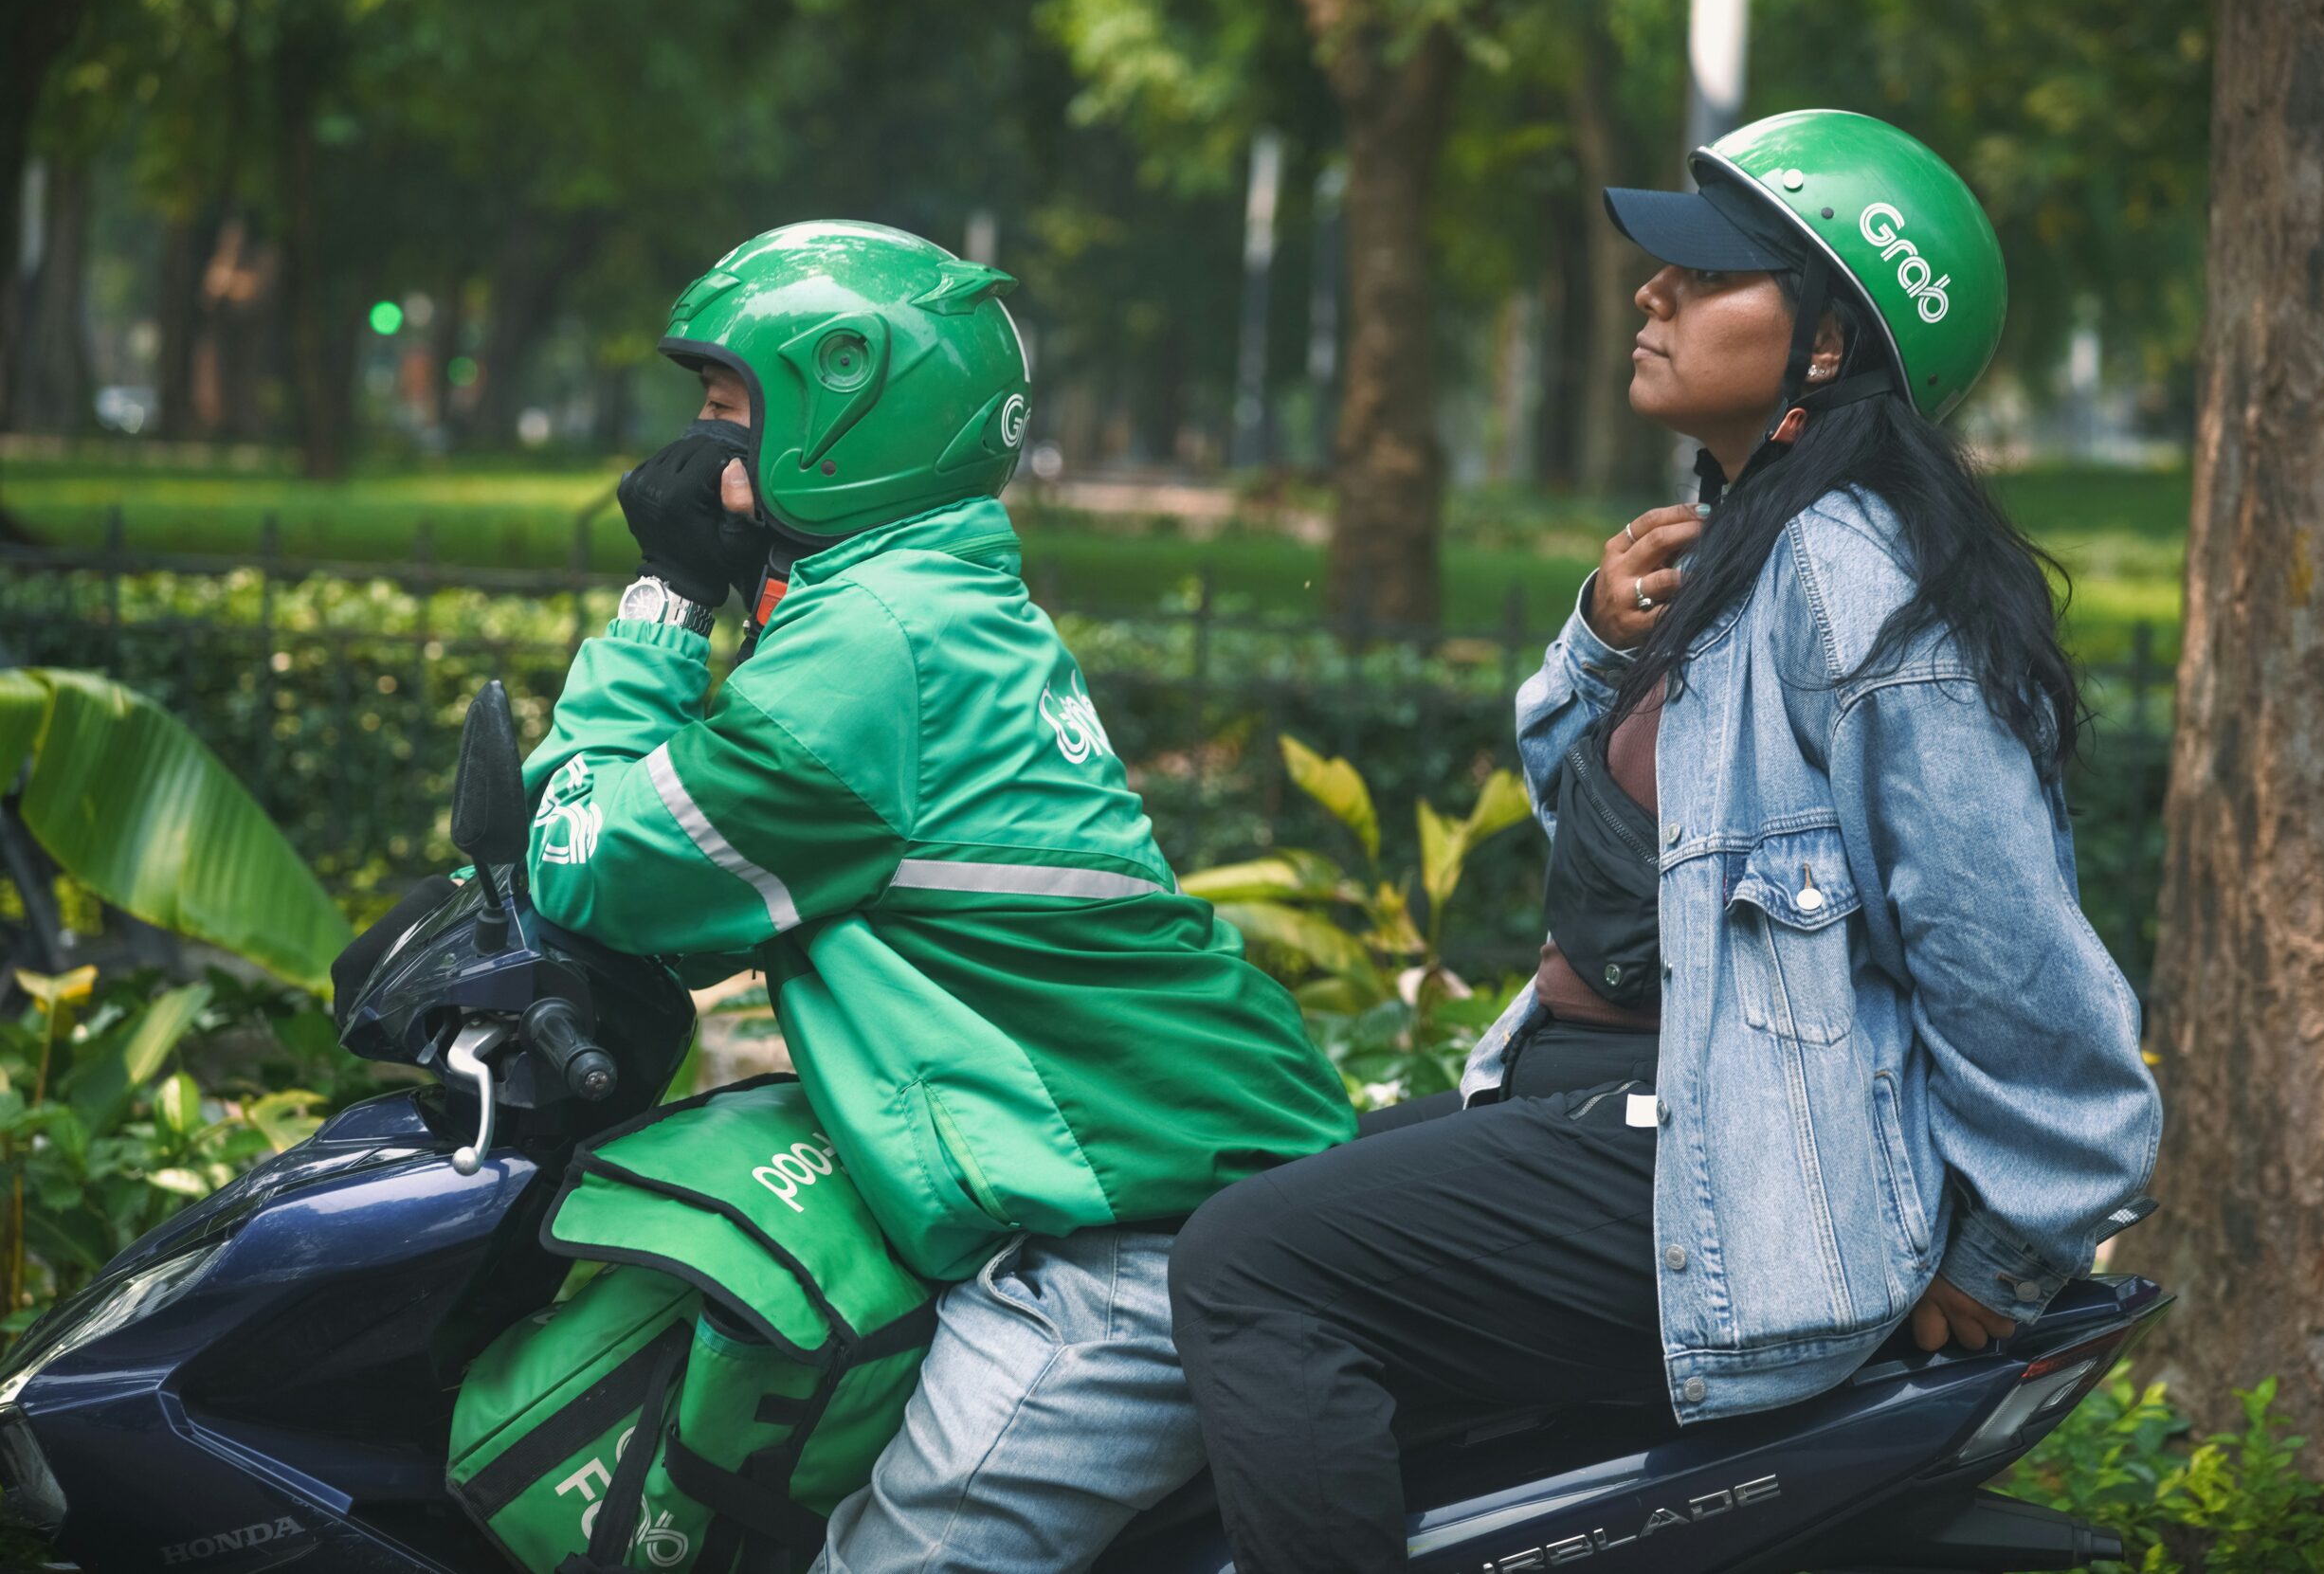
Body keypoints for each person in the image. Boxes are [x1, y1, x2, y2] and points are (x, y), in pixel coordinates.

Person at [1166, 110, 2164, 1574]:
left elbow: (2011, 953)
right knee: (1254, 1184)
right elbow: (1608, 849)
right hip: (1619, 1108)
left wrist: (2009, 1249)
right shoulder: (1741, 547)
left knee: (1246, 1266)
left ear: (1824, 347)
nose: (1651, 293)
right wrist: (1590, 640)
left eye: (1703, 275)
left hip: (1719, 1159)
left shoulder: (1849, 576)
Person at [517, 220, 1356, 1573]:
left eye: (727, 410)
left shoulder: (869, 652)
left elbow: (593, 860)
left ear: (842, 410)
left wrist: (669, 600)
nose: (696, 450)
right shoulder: (916, 600)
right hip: (1140, 1185)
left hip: (1124, 1252)